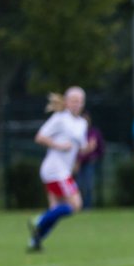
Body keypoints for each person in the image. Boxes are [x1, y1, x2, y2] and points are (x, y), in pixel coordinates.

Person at [28, 88, 88, 252]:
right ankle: (39, 221)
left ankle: (35, 241)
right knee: (76, 205)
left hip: (64, 171)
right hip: (55, 169)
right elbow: (40, 137)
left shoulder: (82, 123)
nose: (76, 104)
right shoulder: (60, 119)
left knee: (56, 210)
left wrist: (87, 150)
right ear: (67, 102)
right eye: (73, 100)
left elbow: (80, 148)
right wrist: (59, 146)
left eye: (79, 101)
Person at [75, 113, 105, 209]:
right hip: (77, 163)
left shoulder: (94, 132)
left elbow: (99, 148)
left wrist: (93, 155)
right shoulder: (76, 133)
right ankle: (78, 206)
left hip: (89, 163)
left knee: (88, 185)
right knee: (78, 185)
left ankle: (87, 207)